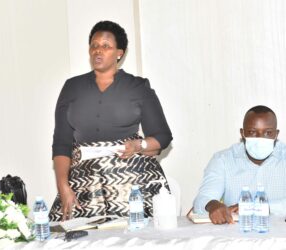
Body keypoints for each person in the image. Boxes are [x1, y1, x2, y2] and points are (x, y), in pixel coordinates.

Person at [49, 20, 172, 221]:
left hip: (131, 180)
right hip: (83, 180)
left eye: (106, 46)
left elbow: (162, 137)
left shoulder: (138, 87)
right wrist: (63, 186)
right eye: (94, 45)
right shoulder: (72, 87)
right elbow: (61, 143)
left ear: (119, 53)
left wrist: (139, 145)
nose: (98, 51)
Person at [193, 105, 286, 224]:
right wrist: (212, 205)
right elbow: (202, 199)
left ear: (276, 134)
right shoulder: (223, 160)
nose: (260, 138)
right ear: (242, 133)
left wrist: (255, 207)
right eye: (252, 132)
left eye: (268, 133)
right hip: (236, 236)